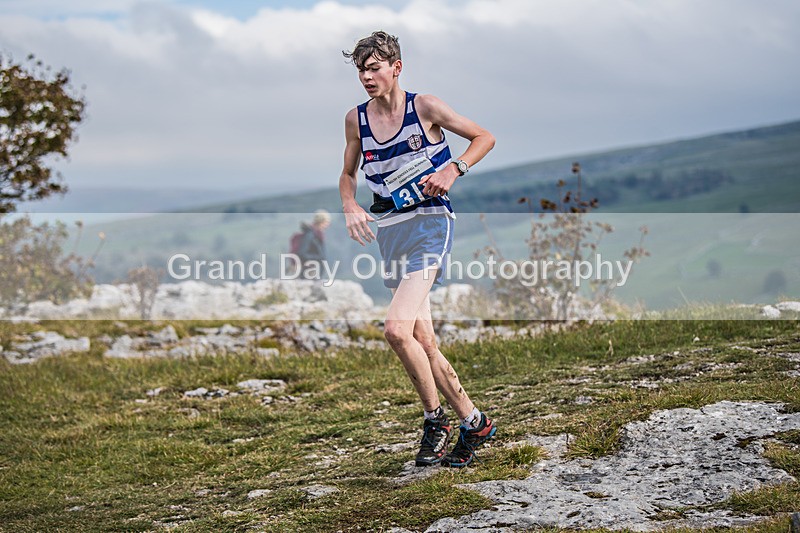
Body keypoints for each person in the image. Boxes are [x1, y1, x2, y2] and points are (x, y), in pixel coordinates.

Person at [338, 31, 497, 467]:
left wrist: (454, 168)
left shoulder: (424, 107)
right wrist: (350, 204)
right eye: (360, 70)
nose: (366, 77)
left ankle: (435, 420)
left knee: (395, 328)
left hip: (430, 224)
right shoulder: (356, 120)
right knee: (422, 337)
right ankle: (474, 422)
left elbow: (484, 137)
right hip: (391, 230)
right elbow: (347, 174)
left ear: (396, 68)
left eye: (374, 68)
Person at [291, 209, 331, 278]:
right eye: (326, 222)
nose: (328, 225)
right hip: (309, 270)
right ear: (320, 222)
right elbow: (302, 253)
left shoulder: (317, 235)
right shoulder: (310, 235)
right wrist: (318, 258)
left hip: (312, 270)